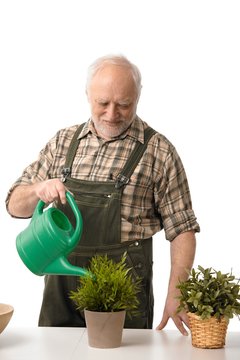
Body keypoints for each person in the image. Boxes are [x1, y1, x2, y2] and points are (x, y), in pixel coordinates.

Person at [6, 54, 200, 335]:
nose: (112, 114)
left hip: (124, 287)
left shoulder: (159, 152)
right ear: (87, 95)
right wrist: (39, 189)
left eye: (124, 104)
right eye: (102, 103)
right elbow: (14, 204)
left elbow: (182, 229)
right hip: (61, 288)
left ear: (138, 97)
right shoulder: (62, 142)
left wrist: (177, 294)